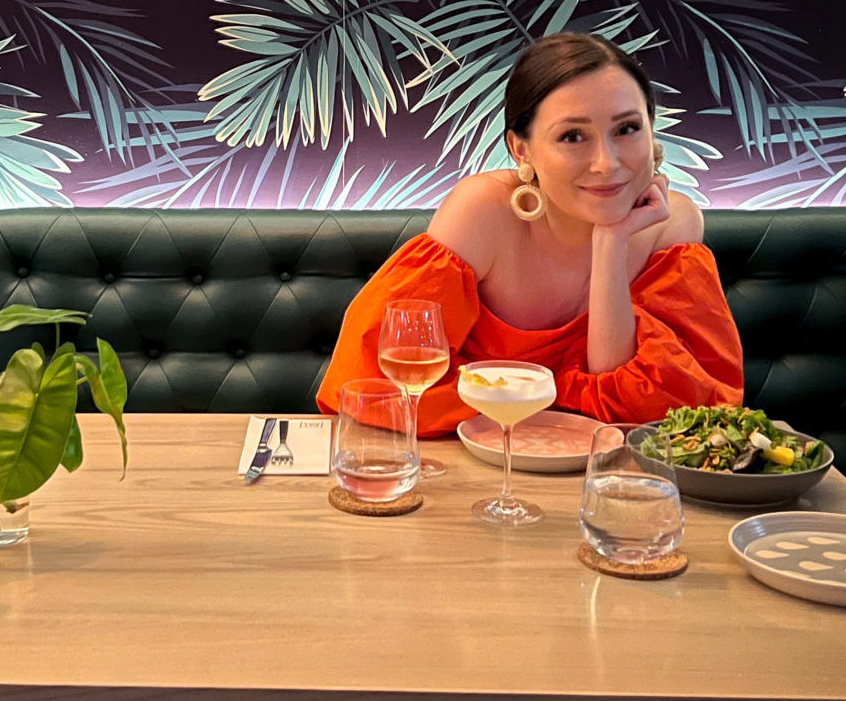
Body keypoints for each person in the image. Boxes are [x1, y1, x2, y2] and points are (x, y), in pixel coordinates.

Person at [317, 32, 743, 433]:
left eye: (627, 129)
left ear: (652, 132)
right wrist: (542, 419)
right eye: (573, 136)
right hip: (466, 463)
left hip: (598, 472)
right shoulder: (483, 213)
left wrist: (611, 242)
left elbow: (647, 408)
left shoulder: (673, 228)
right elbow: (371, 382)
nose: (606, 163)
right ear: (521, 149)